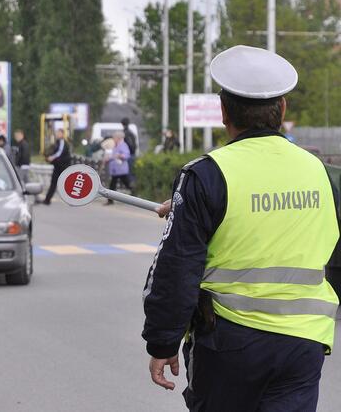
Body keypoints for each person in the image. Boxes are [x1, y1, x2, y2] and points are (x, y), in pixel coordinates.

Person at [143, 45, 340, 412]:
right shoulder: (320, 172)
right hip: (304, 343)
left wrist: (162, 342)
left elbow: (177, 267)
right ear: (282, 109)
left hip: (231, 344)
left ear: (222, 112)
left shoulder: (206, 175)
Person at [43, 128, 71, 205]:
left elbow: (59, 153)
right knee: (53, 183)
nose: (57, 134)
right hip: (58, 166)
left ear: (62, 134)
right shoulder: (57, 142)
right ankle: (47, 200)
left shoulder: (62, 142)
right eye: (57, 133)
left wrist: (52, 157)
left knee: (67, 183)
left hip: (63, 166)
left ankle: (73, 199)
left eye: (58, 133)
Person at [104, 131, 131, 205]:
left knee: (125, 183)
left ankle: (110, 200)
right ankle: (110, 200)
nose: (113, 139)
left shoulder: (123, 145)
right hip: (116, 169)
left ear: (118, 138)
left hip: (121, 169)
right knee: (114, 185)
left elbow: (127, 155)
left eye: (114, 137)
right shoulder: (115, 145)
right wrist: (108, 159)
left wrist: (120, 156)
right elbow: (112, 155)